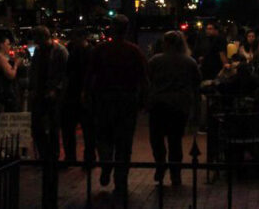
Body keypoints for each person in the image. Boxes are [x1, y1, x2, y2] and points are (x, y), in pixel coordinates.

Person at [86, 14, 148, 198]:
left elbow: (90, 76)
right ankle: (120, 181)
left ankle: (106, 164)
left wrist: (88, 95)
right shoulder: (134, 51)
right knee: (124, 143)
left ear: (112, 28)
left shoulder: (100, 50)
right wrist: (144, 100)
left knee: (104, 137)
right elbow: (143, 78)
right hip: (126, 101)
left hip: (104, 100)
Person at [146, 30, 201, 185]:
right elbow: (196, 83)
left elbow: (147, 79)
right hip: (179, 106)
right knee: (175, 140)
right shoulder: (189, 62)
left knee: (156, 138)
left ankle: (160, 164)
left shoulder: (156, 60)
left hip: (159, 104)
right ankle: (175, 173)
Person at [28, 26, 68, 162]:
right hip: (40, 91)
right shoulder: (39, 51)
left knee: (53, 126)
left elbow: (66, 74)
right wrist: (33, 88)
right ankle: (45, 154)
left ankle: (53, 155)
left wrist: (56, 89)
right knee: (38, 125)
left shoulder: (60, 51)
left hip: (53, 93)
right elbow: (34, 71)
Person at [61, 28, 96, 166]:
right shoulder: (83, 51)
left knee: (84, 128)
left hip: (80, 93)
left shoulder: (84, 52)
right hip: (77, 93)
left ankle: (81, 157)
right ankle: (80, 157)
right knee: (83, 128)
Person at [0, 30, 25, 130]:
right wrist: (16, 64)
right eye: (8, 44)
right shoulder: (1, 58)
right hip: (5, 96)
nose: (9, 47)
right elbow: (11, 75)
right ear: (1, 45)